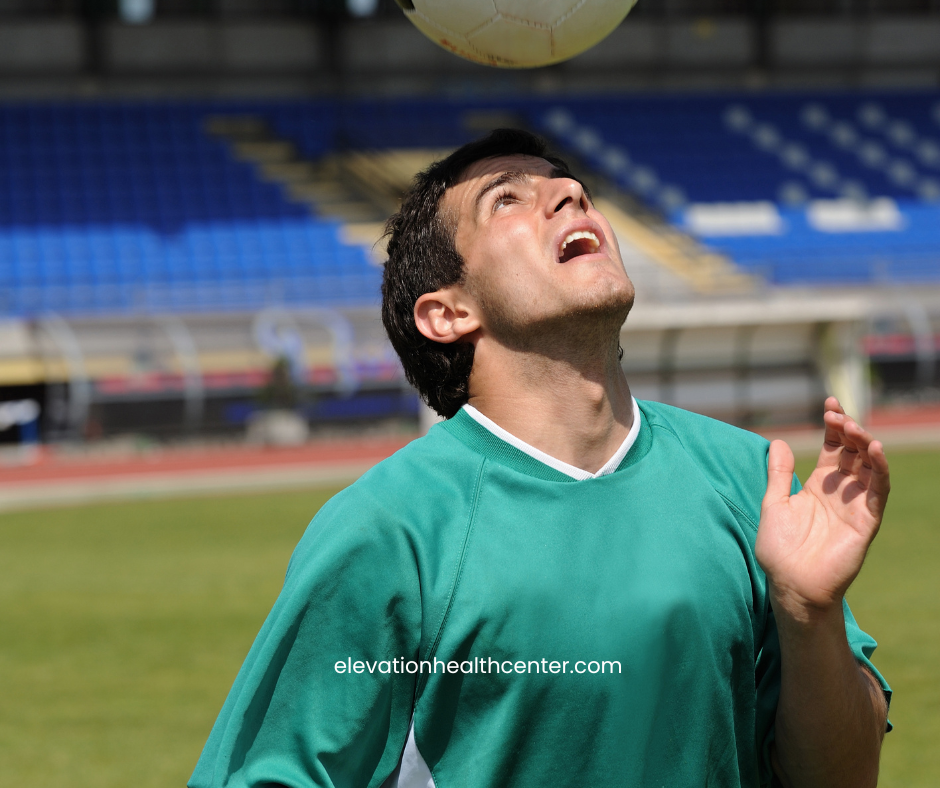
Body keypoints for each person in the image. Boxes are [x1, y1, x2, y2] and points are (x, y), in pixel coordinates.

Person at [189, 129, 891, 788]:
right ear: (449, 312)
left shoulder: (748, 477)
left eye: (570, 186)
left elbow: (844, 776)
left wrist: (809, 614)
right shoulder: (388, 529)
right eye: (507, 200)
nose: (570, 196)